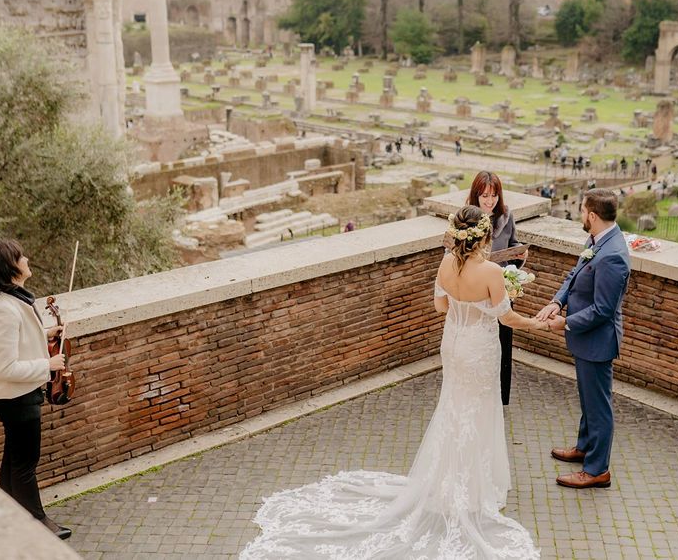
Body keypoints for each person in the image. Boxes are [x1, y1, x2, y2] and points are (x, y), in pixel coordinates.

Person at [241, 206, 556, 558]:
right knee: (477, 410)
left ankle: (447, 483)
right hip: (479, 348)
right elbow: (507, 317)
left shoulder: (446, 264)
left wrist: (466, 307)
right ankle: (471, 490)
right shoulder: (492, 271)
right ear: (484, 236)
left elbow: (440, 307)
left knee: (454, 407)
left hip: (452, 343)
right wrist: (540, 325)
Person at [0, 239, 72, 540]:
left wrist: (46, 333)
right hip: (16, 397)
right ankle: (37, 522)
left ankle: (7, 513)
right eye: (20, 257)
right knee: (26, 462)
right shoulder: (5, 310)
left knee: (13, 456)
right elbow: (6, 367)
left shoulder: (13, 301)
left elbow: (20, 338)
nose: (26, 259)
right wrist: (50, 365)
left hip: (14, 396)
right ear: (9, 268)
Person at [537, 189, 632, 490]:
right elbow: (574, 276)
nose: (580, 215)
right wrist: (556, 302)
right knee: (588, 400)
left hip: (597, 341)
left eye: (581, 211)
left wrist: (565, 323)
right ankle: (584, 448)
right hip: (584, 339)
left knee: (599, 407)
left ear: (592, 215)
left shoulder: (614, 255)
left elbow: (603, 310)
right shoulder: (597, 240)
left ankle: (597, 470)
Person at [468, 171, 528, 406]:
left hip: (501, 289)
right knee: (479, 343)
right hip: (475, 291)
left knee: (503, 342)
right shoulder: (466, 219)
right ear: (476, 196)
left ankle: (501, 395)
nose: (489, 201)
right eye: (484, 196)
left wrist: (520, 255)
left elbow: (513, 245)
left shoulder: (506, 216)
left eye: (493, 196)